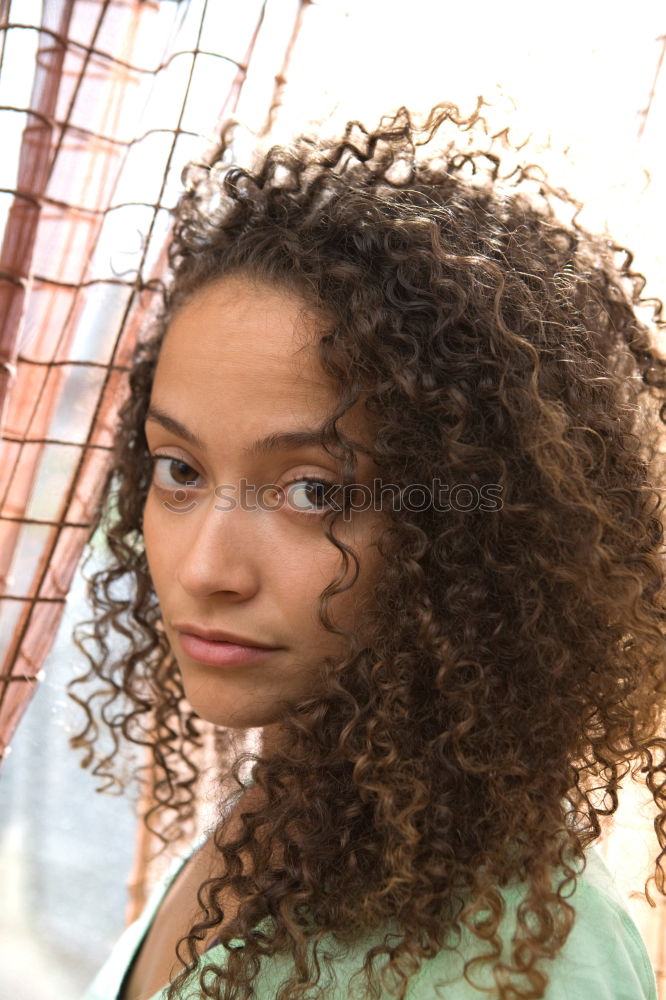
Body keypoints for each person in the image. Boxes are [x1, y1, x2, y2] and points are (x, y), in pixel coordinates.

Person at [72, 101, 666, 1000]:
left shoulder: (522, 953)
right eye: (179, 469)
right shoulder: (262, 838)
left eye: (316, 491)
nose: (204, 571)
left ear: (474, 540)